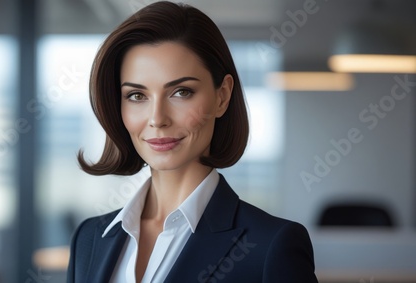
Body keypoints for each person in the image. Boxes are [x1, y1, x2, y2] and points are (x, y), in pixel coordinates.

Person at [67, 1, 318, 282]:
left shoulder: (271, 245)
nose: (157, 118)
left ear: (221, 96)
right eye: (137, 96)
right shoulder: (89, 239)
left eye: (181, 92)